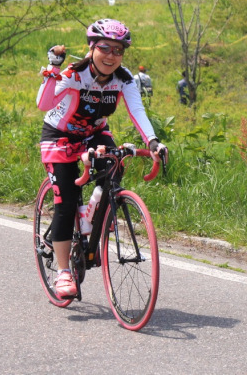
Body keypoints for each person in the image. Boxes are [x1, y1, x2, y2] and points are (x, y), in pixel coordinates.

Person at [37, 18, 168, 299]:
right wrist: (53, 69)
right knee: (66, 201)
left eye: (118, 51)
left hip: (94, 134)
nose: (111, 56)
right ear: (92, 47)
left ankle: (91, 214)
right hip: (59, 136)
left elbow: (137, 111)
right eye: (105, 48)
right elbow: (44, 104)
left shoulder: (124, 78)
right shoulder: (75, 74)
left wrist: (153, 142)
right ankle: (63, 272)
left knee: (115, 163)